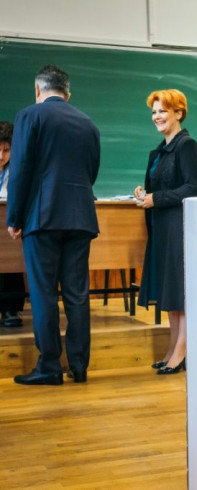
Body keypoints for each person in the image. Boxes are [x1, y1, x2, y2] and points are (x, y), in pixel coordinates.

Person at [6, 65, 100, 385]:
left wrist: (15, 218)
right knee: (77, 294)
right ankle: (79, 366)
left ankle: (49, 367)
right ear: (68, 93)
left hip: (42, 218)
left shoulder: (29, 116)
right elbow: (92, 171)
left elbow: (19, 171)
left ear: (37, 89)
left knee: (44, 293)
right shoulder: (88, 123)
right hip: (81, 217)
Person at [134, 89, 197, 375]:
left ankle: (182, 351)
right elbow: (156, 187)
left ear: (178, 113)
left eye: (163, 111)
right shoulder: (158, 152)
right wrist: (143, 193)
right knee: (171, 293)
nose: (157, 117)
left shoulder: (187, 146)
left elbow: (193, 187)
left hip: (178, 227)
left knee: (180, 293)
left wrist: (156, 199)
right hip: (160, 227)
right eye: (154, 112)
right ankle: (173, 348)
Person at [0, 121, 26, 328]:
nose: (1, 156)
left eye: (6, 150)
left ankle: (11, 309)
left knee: (11, 258)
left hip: (10, 224)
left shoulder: (18, 168)